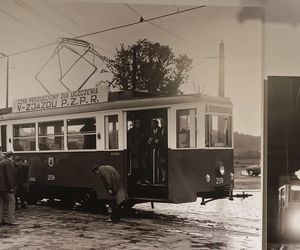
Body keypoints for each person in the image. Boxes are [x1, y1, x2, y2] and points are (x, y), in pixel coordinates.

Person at [0, 151, 17, 226]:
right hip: (6, 187)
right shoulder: (8, 163)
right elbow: (9, 176)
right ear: (11, 156)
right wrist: (11, 187)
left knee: (1, 203)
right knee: (12, 201)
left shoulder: (1, 162)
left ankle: (0, 220)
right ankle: (11, 220)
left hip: (0, 187)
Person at [127, 119, 146, 183]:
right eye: (137, 122)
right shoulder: (131, 131)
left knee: (143, 166)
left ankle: (143, 179)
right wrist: (134, 149)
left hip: (142, 151)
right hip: (135, 152)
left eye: (139, 122)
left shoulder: (143, 130)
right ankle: (136, 180)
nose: (138, 123)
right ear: (135, 123)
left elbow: (144, 141)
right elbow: (129, 142)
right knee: (136, 167)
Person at [158, 118, 168, 183]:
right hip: (161, 150)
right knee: (161, 164)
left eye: (163, 121)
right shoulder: (160, 130)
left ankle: (166, 178)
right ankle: (164, 177)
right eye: (161, 122)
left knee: (165, 164)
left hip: (166, 150)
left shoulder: (168, 129)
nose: (162, 123)